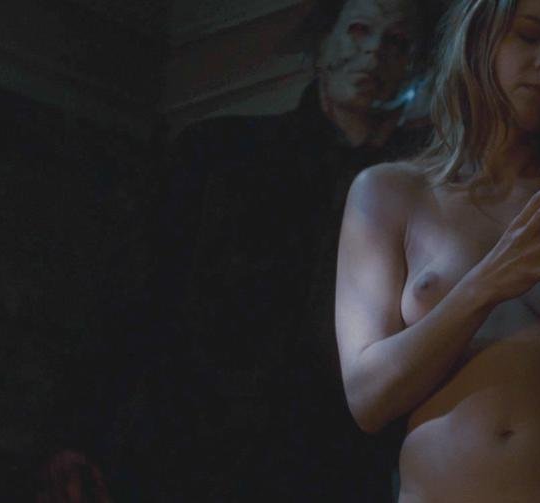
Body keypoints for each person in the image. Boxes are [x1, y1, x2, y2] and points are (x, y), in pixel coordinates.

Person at [334, 0, 540, 500]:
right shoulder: (389, 194)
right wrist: (488, 282)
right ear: (478, 38)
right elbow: (367, 399)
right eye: (529, 35)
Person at [128, 0, 442, 500]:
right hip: (195, 451)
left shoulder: (428, 198)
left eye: (398, 42)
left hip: (338, 464)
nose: (374, 52)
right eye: (359, 30)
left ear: (418, 66)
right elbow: (143, 291)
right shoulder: (220, 154)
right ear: (323, 44)